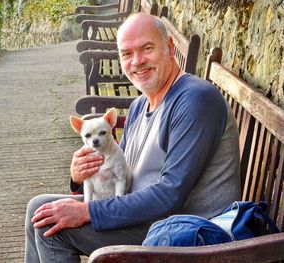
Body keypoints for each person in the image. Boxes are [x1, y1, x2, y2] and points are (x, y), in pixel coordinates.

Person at [25, 13, 241, 262]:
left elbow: (171, 194)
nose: (137, 61)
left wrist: (88, 211)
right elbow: (122, 173)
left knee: (50, 227)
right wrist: (78, 177)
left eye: (146, 49)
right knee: (39, 208)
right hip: (147, 218)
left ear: (169, 48)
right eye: (127, 54)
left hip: (185, 235)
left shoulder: (195, 100)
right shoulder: (140, 105)